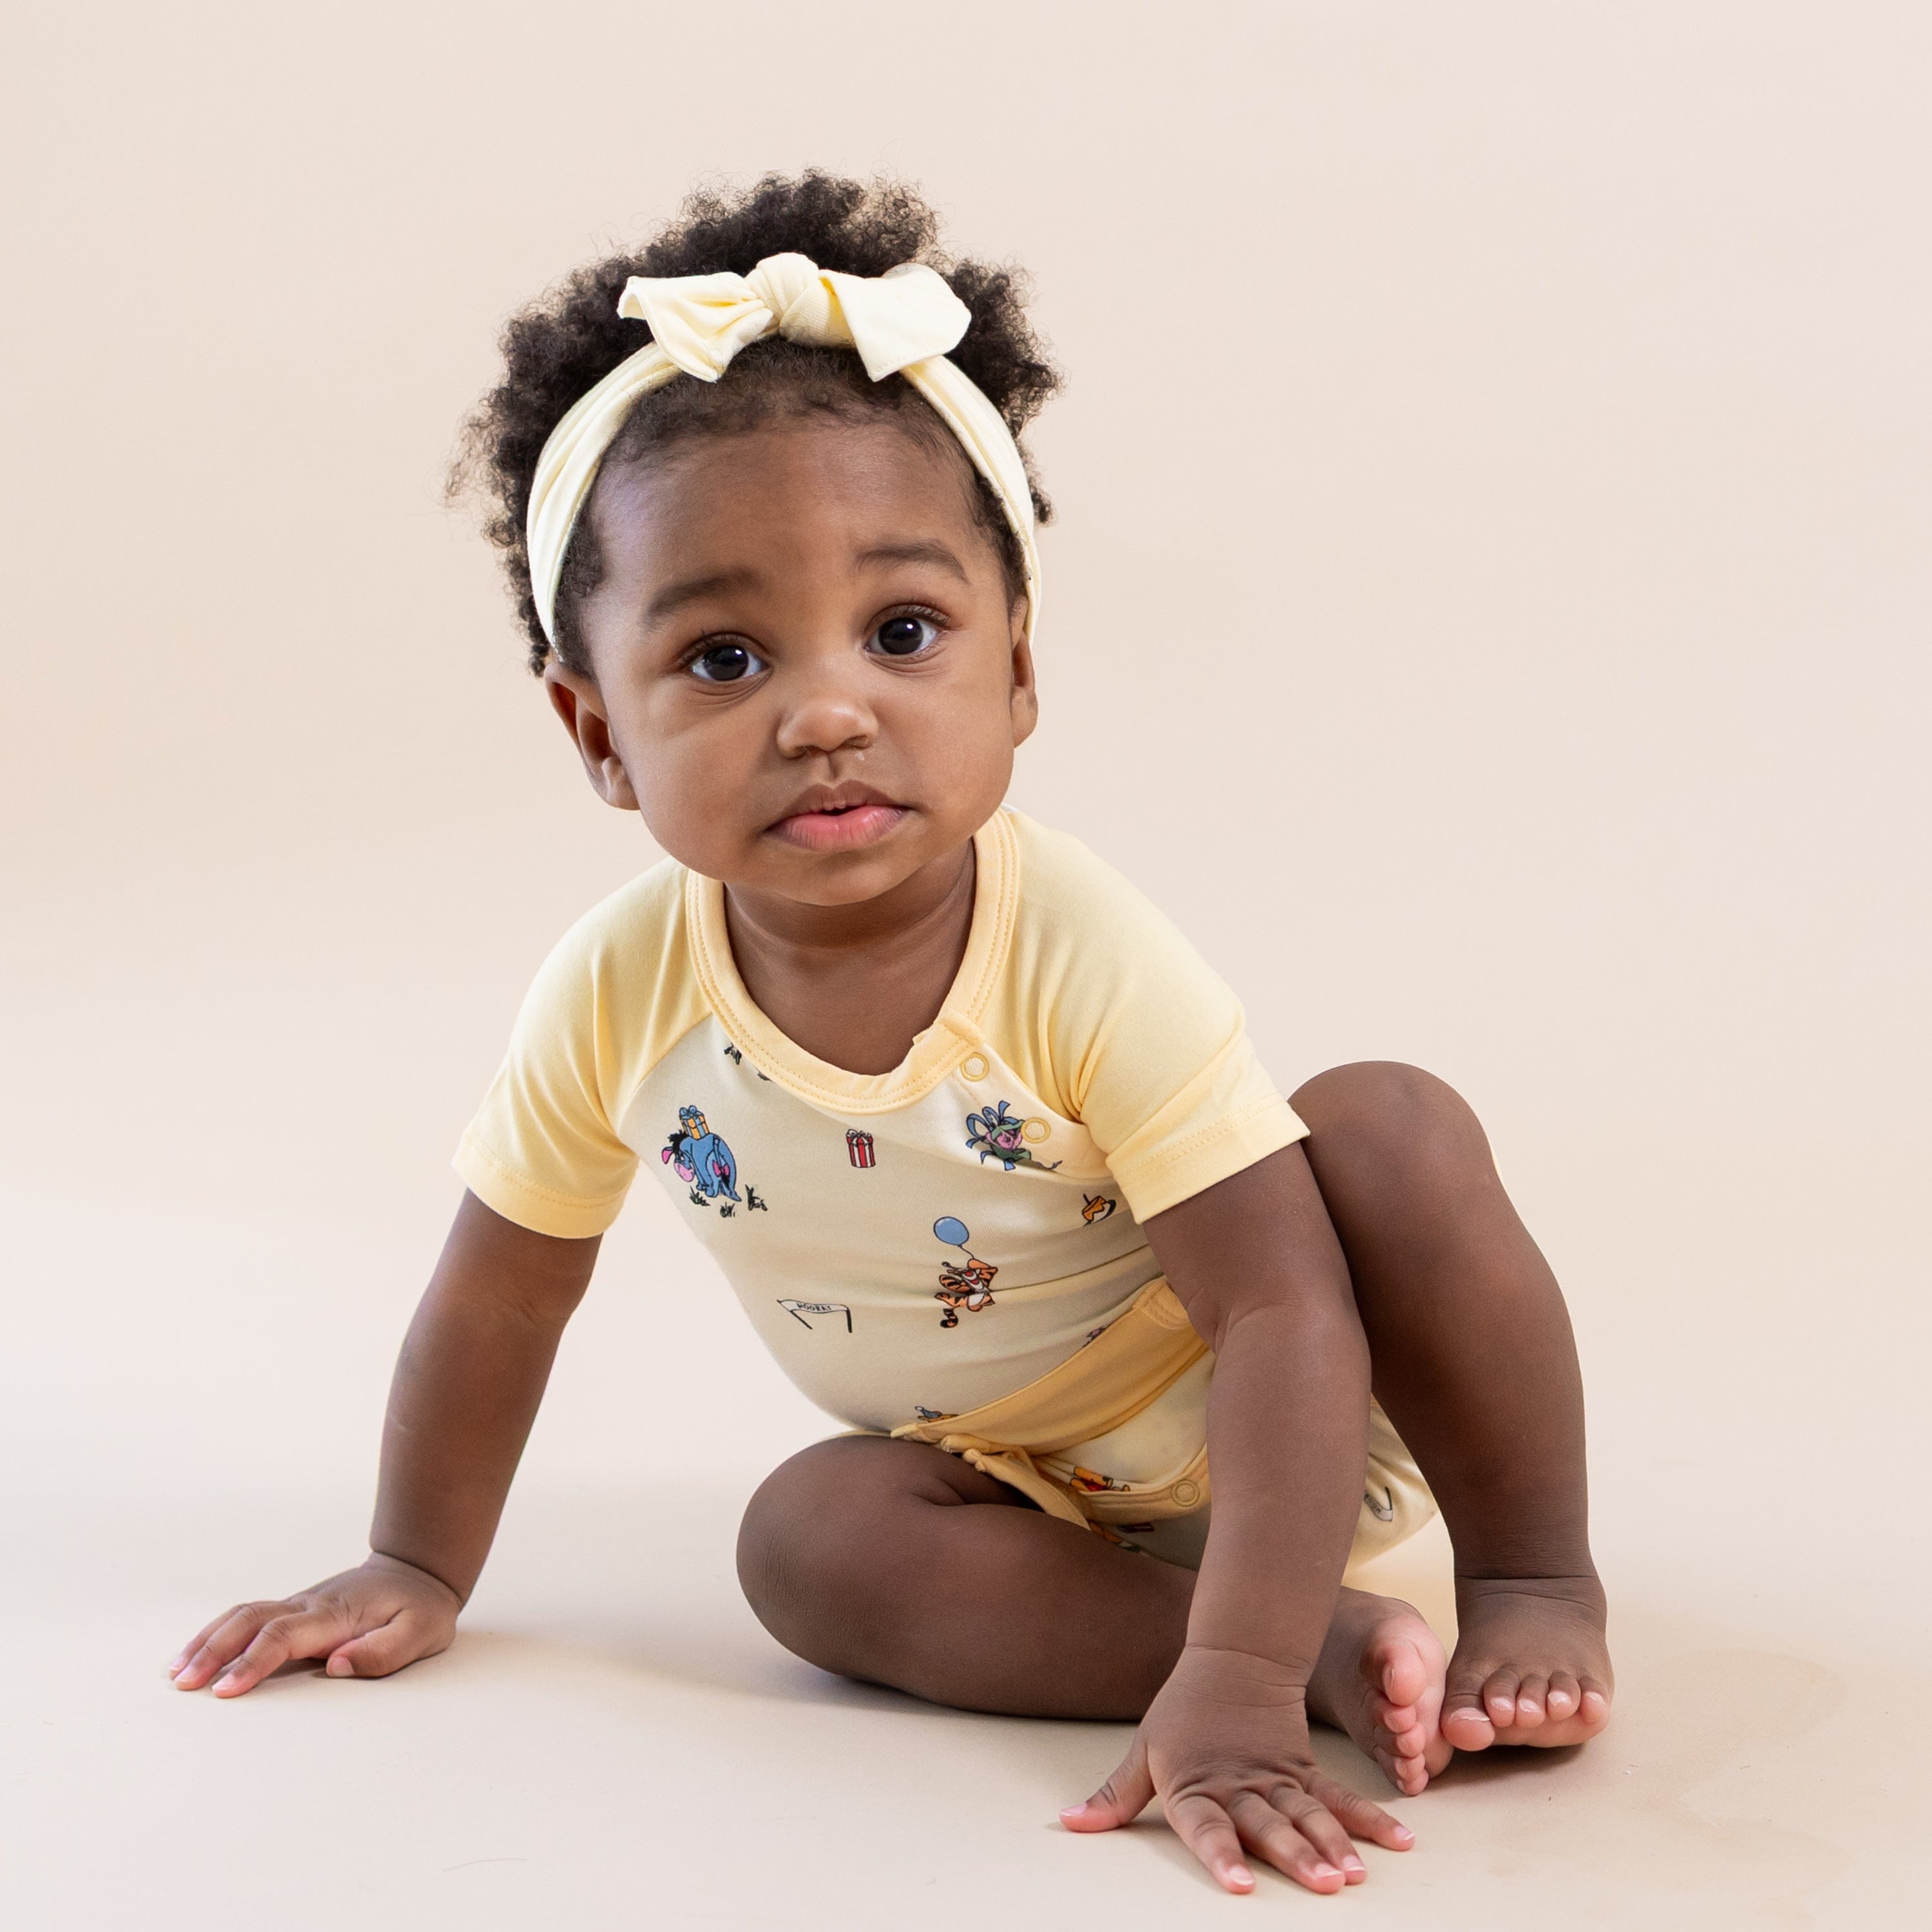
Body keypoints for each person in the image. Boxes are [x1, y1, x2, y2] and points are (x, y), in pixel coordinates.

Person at [168, 172, 1613, 1897]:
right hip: (997, 1489)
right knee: (801, 1545)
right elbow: (500, 1292)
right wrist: (416, 1560)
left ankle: (1529, 1579)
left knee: (1387, 1125)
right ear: (595, 730)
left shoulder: (1074, 946)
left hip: (1272, 1408)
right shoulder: (619, 987)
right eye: (720, 657)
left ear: (1016, 671)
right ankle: (1295, 1642)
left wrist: (1221, 1706)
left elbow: (1281, 1309)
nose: (830, 709)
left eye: (905, 632)